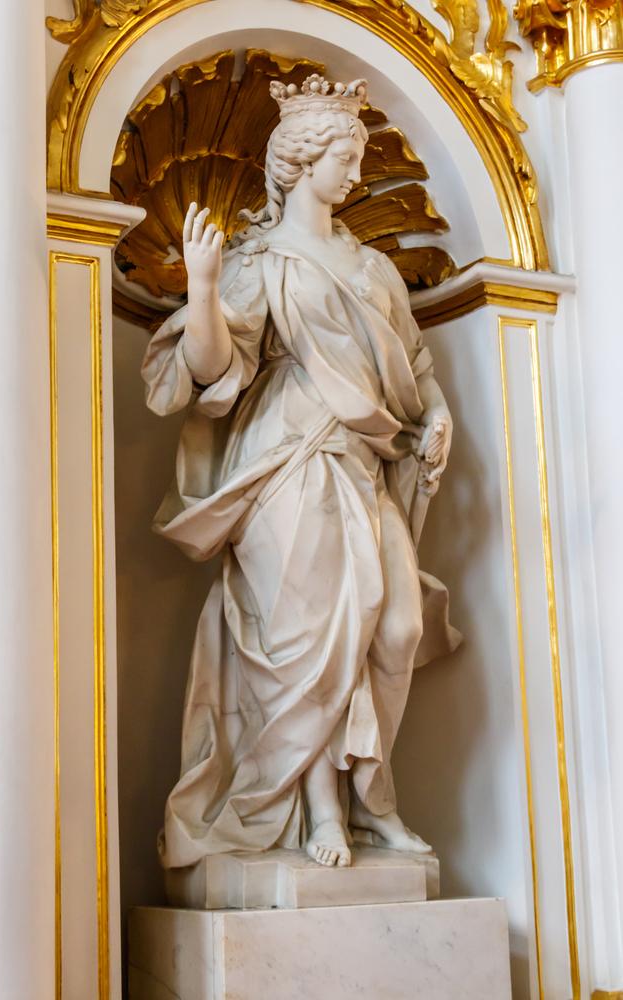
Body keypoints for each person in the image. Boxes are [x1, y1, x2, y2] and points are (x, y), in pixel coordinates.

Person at [142, 73, 460, 870]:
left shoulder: (374, 269)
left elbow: (415, 365)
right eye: (342, 155)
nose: (354, 171)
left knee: (395, 628)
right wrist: (207, 289)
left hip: (362, 459)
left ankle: (371, 796)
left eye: (356, 155)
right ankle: (322, 809)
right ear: (301, 157)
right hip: (288, 461)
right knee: (313, 642)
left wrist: (439, 412)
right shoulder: (260, 260)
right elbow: (217, 372)